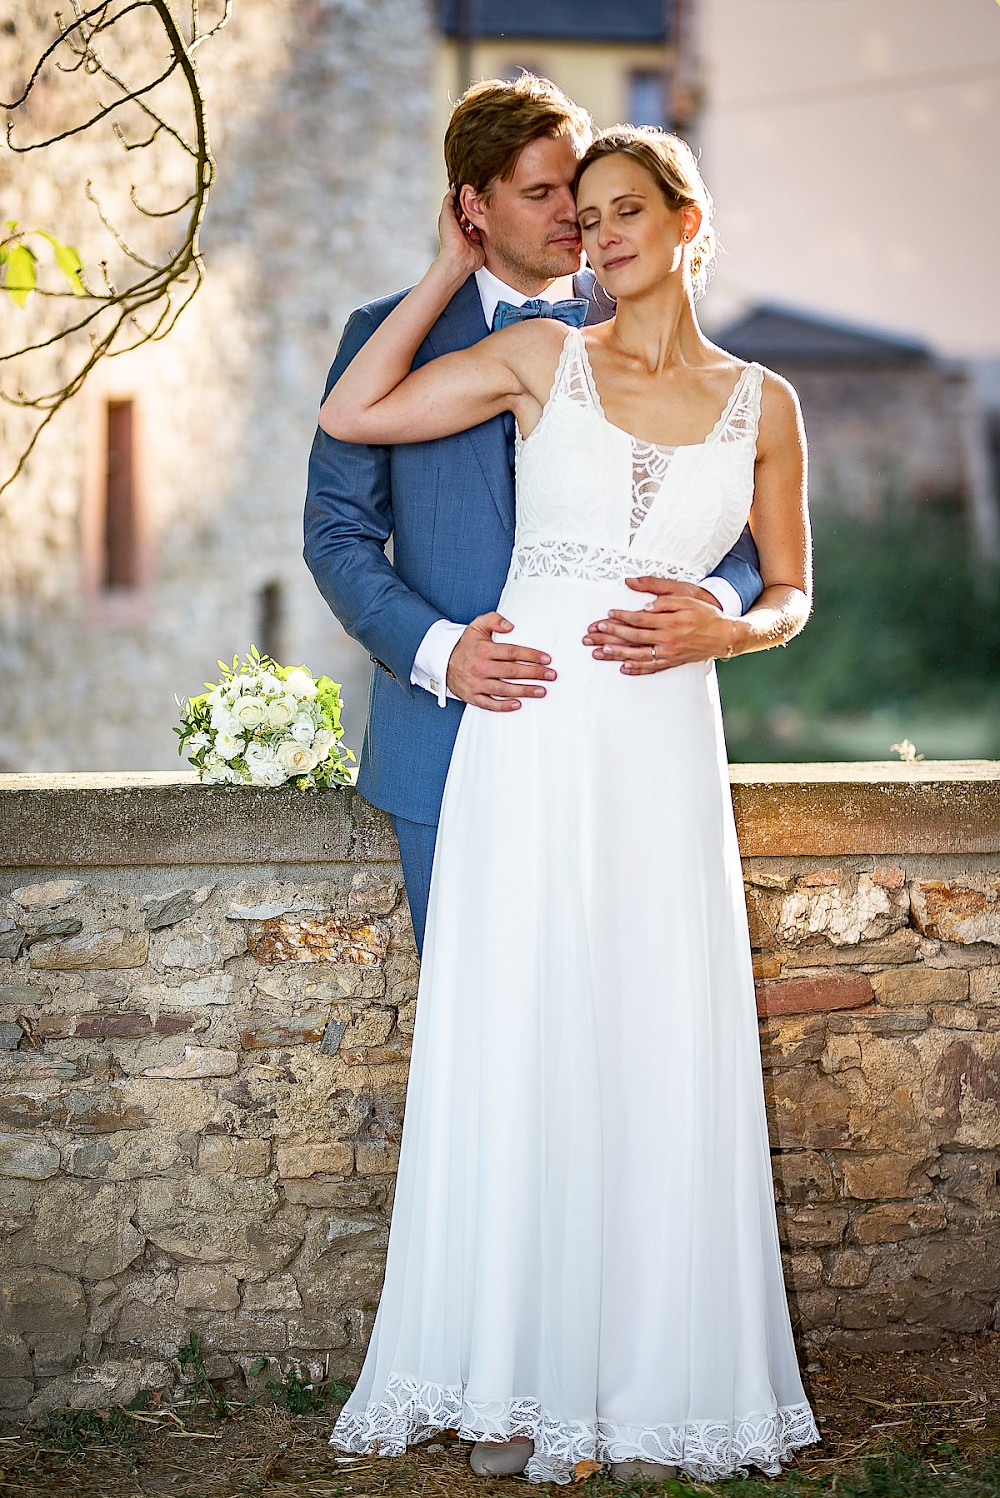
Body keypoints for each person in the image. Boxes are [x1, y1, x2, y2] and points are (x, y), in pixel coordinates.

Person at [318, 122, 819, 1485]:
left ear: (687, 218)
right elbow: (352, 417)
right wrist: (442, 268)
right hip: (530, 740)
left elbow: (790, 588)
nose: (598, 236)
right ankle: (513, 1377)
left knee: (653, 1030)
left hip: (660, 743)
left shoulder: (766, 402)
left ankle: (653, 1378)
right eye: (583, 216)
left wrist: (734, 631)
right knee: (521, 1027)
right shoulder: (543, 357)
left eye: (622, 212)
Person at [303, 75, 764, 954]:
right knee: (483, 1027)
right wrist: (441, 652)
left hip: (622, 737)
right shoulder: (385, 337)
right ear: (473, 206)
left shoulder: (641, 321)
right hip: (445, 737)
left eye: (577, 192)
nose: (572, 217)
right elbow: (336, 535)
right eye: (540, 193)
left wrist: (713, 604)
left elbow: (741, 536)